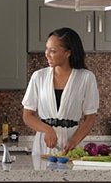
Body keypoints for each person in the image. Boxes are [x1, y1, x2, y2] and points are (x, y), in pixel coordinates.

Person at [22, 27, 99, 156]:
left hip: (72, 148)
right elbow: (27, 116)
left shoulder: (86, 77)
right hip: (42, 146)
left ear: (68, 53)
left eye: (52, 51)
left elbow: (90, 118)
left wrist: (74, 141)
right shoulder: (38, 76)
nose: (46, 54)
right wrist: (47, 129)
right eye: (46, 49)